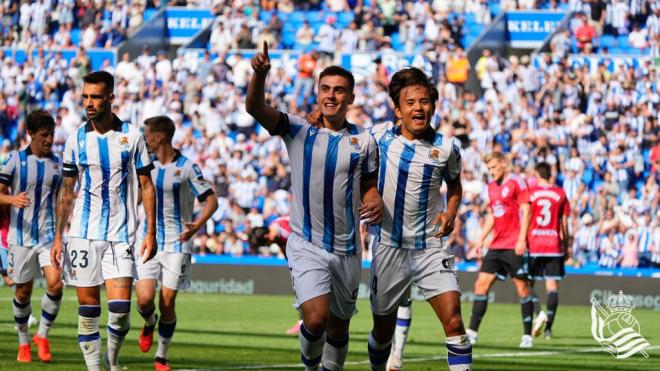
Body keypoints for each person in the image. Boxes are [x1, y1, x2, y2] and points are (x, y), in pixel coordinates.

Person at [246, 42, 382, 371]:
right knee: (316, 318)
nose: (331, 95)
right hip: (307, 243)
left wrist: (374, 198)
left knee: (339, 328)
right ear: (317, 92)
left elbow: (368, 186)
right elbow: (255, 108)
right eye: (325, 89)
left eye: (339, 91)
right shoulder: (297, 129)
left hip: (348, 248)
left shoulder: (366, 140)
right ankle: (310, 367)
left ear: (350, 98)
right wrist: (259, 76)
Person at [50, 71, 157, 371]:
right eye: (85, 96)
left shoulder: (132, 137)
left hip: (121, 235)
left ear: (111, 97)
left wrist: (151, 231)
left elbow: (147, 185)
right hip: (83, 234)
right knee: (89, 310)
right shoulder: (76, 139)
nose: (89, 102)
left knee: (121, 310)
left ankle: (112, 359)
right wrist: (59, 236)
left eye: (95, 96)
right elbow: (67, 191)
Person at [367, 67, 471, 371]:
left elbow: (454, 184)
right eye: (410, 103)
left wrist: (451, 211)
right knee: (382, 331)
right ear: (398, 109)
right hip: (389, 245)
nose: (418, 108)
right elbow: (353, 160)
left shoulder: (447, 147)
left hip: (430, 246)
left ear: (433, 105)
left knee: (454, 321)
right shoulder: (378, 136)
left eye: (424, 101)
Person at [134, 115, 218, 371]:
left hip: (178, 242)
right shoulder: (144, 165)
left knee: (167, 300)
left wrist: (197, 225)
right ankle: (149, 323)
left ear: (159, 137)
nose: (145, 139)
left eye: (147, 135)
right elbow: (136, 198)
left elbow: (211, 200)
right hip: (147, 239)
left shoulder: (188, 168)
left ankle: (161, 356)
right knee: (145, 300)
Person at [0, 109, 63, 363]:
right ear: (30, 134)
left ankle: (42, 335)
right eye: (44, 135)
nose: (49, 140)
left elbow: (61, 201)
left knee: (56, 284)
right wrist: (12, 199)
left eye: (52, 135)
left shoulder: (57, 165)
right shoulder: (14, 160)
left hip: (48, 236)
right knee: (22, 293)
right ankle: (24, 342)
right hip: (20, 238)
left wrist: (60, 235)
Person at [466, 151, 534, 348]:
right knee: (481, 285)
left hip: (514, 243)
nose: (491, 171)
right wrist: (481, 239)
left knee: (522, 288)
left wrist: (522, 239)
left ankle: (527, 336)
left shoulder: (517, 182)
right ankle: (472, 333)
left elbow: (526, 211)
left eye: (494, 167)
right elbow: (492, 216)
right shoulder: (491, 187)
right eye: (488, 169)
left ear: (504, 164)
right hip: (496, 245)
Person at [527, 162, 570, 340]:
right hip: (553, 245)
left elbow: (527, 217)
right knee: (552, 288)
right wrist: (566, 247)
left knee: (527, 285)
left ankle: (539, 313)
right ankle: (548, 330)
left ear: (537, 174)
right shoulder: (560, 193)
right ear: (550, 174)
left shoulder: (532, 193)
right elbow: (564, 224)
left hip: (535, 243)